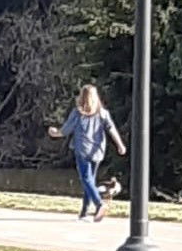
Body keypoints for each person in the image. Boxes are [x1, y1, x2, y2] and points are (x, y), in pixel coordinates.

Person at [48, 84, 127, 222]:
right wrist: (120, 144)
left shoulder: (77, 113)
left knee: (86, 179)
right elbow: (111, 129)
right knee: (89, 181)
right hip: (97, 152)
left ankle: (99, 203)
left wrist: (54, 133)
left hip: (82, 151)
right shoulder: (103, 113)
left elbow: (65, 130)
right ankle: (84, 213)